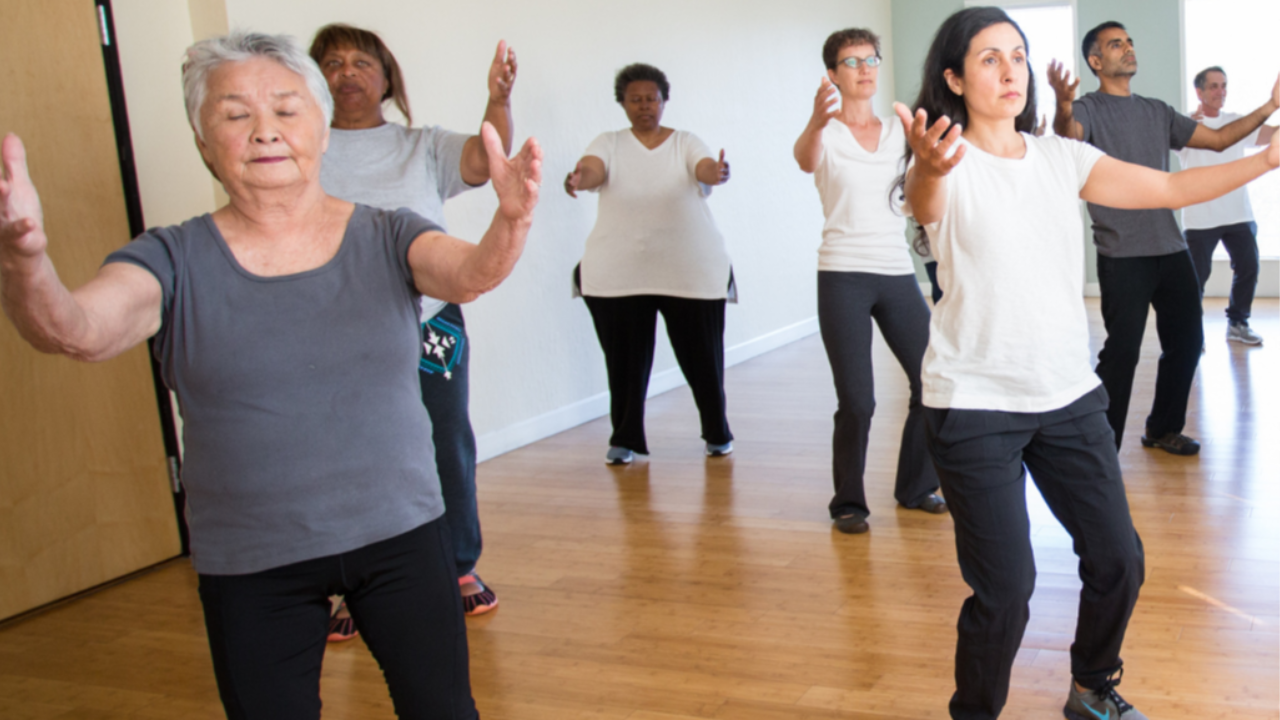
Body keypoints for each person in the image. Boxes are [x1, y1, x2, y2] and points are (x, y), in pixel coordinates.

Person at [0, 31, 542, 719]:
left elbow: (468, 274)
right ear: (204, 141)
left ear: (319, 128)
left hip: (401, 536)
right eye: (235, 115)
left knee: (443, 708)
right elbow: (75, 330)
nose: (265, 132)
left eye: (286, 110)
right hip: (252, 561)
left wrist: (511, 224)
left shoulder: (387, 233)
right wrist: (25, 263)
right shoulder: (170, 259)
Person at [894, 7, 1280, 719]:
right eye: (987, 58)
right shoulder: (943, 164)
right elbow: (927, 206)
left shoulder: (1059, 157)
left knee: (1119, 560)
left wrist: (1266, 158)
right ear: (952, 77)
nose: (1010, 70)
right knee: (1006, 590)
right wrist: (925, 164)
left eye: (1017, 54)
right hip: (974, 403)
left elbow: (1165, 190)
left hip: (1068, 397)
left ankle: (1090, 685)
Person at [308, 23, 513, 631]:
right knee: (343, 452)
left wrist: (498, 98)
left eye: (361, 63)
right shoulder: (302, 149)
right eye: (333, 62)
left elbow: (484, 158)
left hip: (429, 320)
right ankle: (350, 580)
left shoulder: (421, 144)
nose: (347, 73)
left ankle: (458, 564)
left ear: (387, 78)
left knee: (444, 438)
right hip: (331, 328)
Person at [1048, 21, 1280, 455]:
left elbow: (1219, 139)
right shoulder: (1086, 110)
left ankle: (1162, 427)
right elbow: (1067, 139)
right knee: (1122, 355)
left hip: (1171, 249)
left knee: (1189, 342)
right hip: (1122, 254)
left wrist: (1270, 105)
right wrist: (1062, 104)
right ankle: (1103, 448)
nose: (1128, 48)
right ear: (1096, 61)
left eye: (1130, 41)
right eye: (1116, 44)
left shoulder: (1157, 110)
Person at [791, 27, 946, 534]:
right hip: (842, 274)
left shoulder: (900, 130)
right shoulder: (825, 134)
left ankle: (914, 486)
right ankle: (848, 502)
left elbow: (922, 187)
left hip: (895, 271)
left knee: (932, 380)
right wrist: (817, 120)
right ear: (833, 74)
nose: (863, 68)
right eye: (850, 61)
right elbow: (804, 159)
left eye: (869, 58)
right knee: (858, 399)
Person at [565, 63, 734, 466]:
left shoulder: (685, 142)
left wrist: (718, 171)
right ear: (622, 103)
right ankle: (624, 438)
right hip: (619, 273)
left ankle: (717, 433)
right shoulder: (609, 142)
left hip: (689, 270)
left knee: (703, 360)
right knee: (624, 363)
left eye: (652, 99)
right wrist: (578, 178)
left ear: (664, 101)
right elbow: (592, 170)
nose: (644, 106)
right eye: (635, 99)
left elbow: (704, 168)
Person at [1179, 65, 1276, 345]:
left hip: (1238, 214)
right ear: (1199, 91)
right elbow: (1162, 143)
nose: (1221, 91)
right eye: (1213, 86)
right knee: (1196, 278)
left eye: (1224, 85)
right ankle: (1191, 332)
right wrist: (1185, 126)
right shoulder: (1186, 126)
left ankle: (1237, 322)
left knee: (1248, 267)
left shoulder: (1237, 123)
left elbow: (1269, 135)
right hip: (1200, 218)